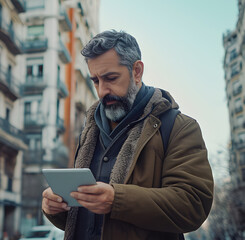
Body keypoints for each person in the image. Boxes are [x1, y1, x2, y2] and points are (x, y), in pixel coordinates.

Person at [41, 30, 214, 240]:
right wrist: (55, 208)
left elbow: (193, 206)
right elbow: (83, 218)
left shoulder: (180, 127)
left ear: (137, 71)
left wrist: (117, 200)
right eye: (95, 81)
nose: (102, 90)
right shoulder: (89, 130)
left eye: (111, 78)